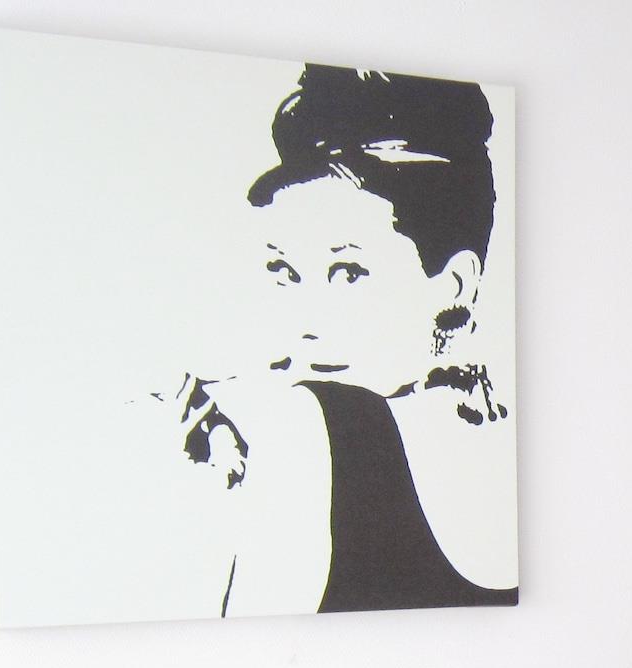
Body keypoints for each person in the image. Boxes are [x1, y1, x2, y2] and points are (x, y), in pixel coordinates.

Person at [165, 63, 517, 616]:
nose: (304, 322)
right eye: (284, 272)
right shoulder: (507, 440)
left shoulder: (302, 427)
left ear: (454, 285)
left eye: (348, 273)